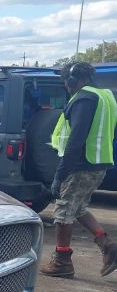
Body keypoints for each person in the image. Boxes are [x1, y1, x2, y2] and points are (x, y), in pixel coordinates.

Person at [40, 62, 117, 279]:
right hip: (99, 162)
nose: (67, 87)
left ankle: (62, 261)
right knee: (78, 208)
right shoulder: (106, 96)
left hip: (81, 165)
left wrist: (59, 175)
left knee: (63, 211)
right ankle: (107, 244)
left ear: (73, 80)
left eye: (66, 82)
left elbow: (76, 140)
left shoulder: (84, 99)